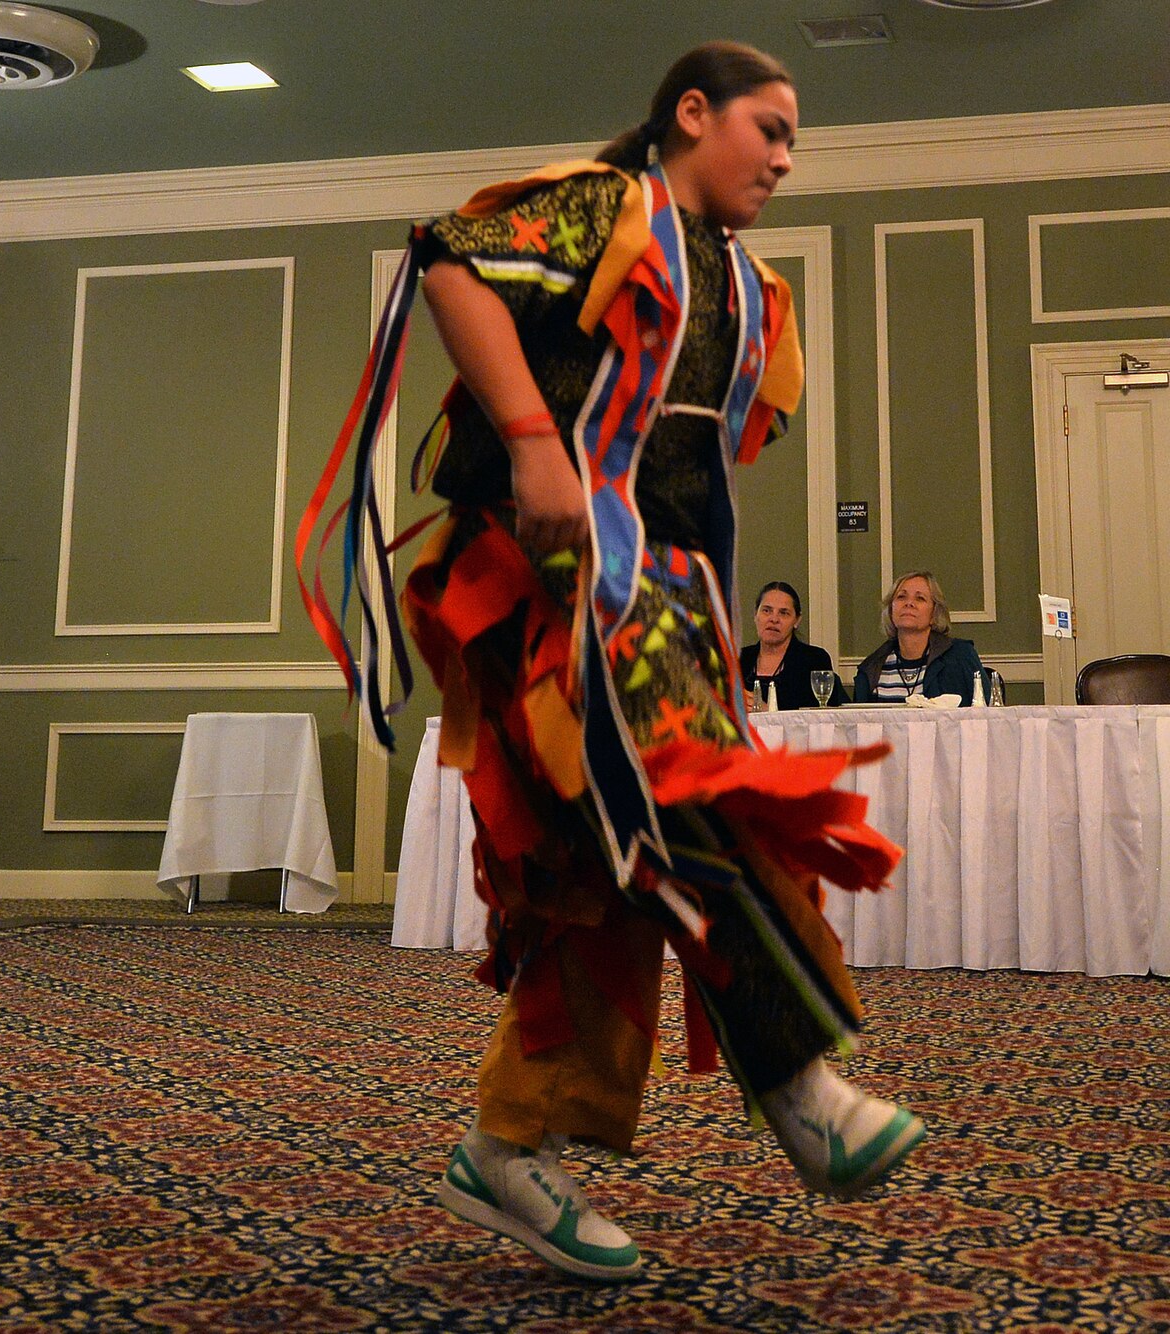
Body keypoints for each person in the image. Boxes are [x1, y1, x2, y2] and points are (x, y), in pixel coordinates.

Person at [301, 42, 919, 1283]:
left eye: (798, 139)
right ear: (690, 114)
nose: (787, 157)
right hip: (542, 594)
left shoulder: (740, 283)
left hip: (661, 599)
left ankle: (508, 1146)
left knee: (598, 877)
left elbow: (716, 443)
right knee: (673, 806)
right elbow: (450, 262)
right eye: (770, 127)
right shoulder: (602, 205)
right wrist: (533, 442)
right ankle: (795, 1076)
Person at [854, 570, 985, 704]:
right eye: (901, 597)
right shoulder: (871, 667)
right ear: (890, 610)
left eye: (920, 598)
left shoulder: (961, 656)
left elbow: (987, 715)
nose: (909, 603)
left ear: (934, 614)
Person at [739, 580, 847, 710]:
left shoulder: (814, 660)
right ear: (755, 615)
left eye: (783, 613)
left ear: (797, 620)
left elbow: (823, 718)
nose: (774, 619)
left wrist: (770, 712)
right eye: (766, 611)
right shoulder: (737, 659)